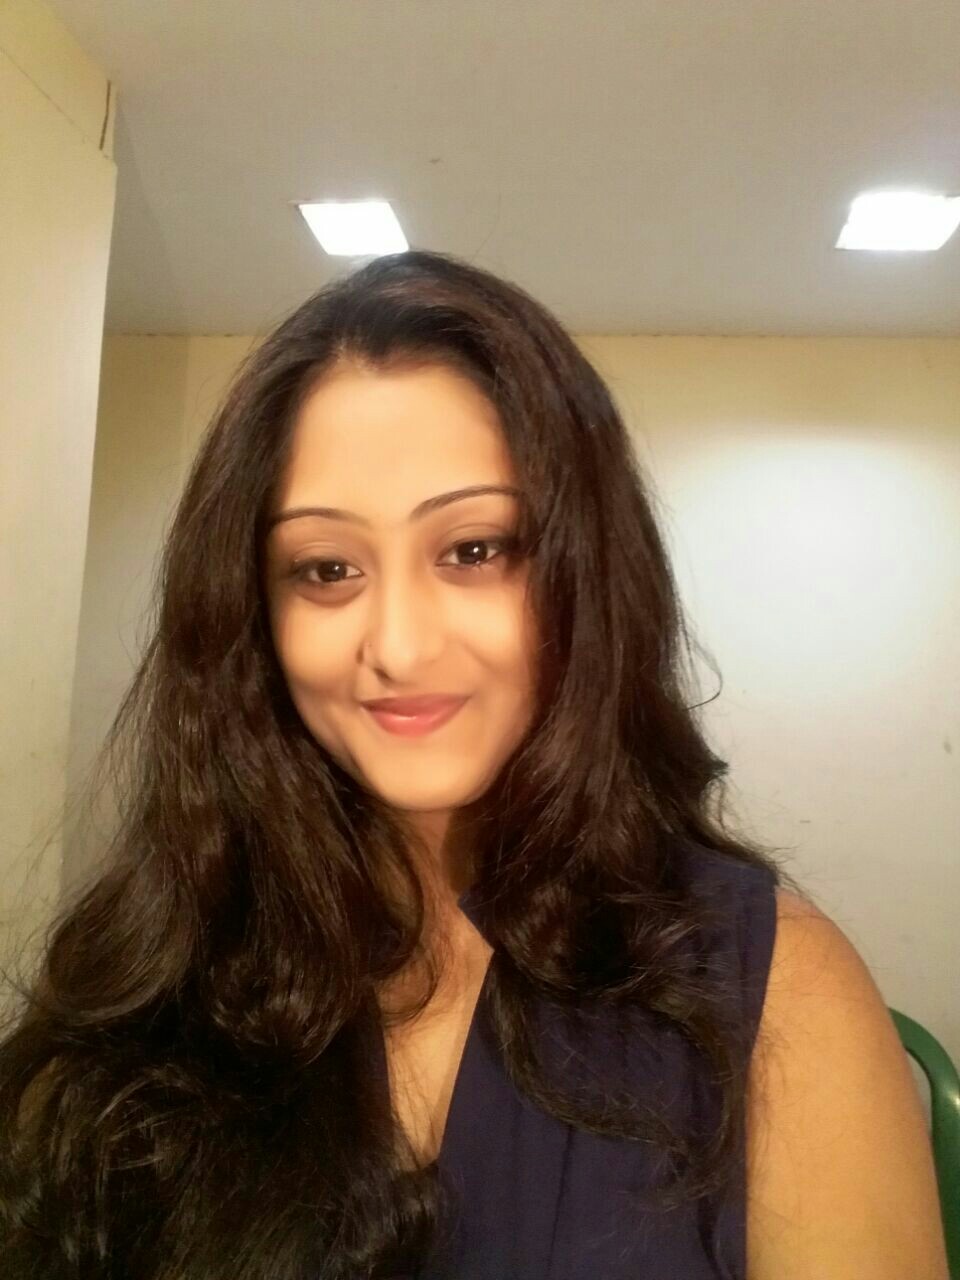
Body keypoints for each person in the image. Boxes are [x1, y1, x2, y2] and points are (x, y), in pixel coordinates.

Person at [0, 250, 946, 1279]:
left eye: (476, 549)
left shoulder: (778, 989)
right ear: (251, 613)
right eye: (327, 568)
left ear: (588, 572)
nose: (399, 646)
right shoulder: (152, 981)